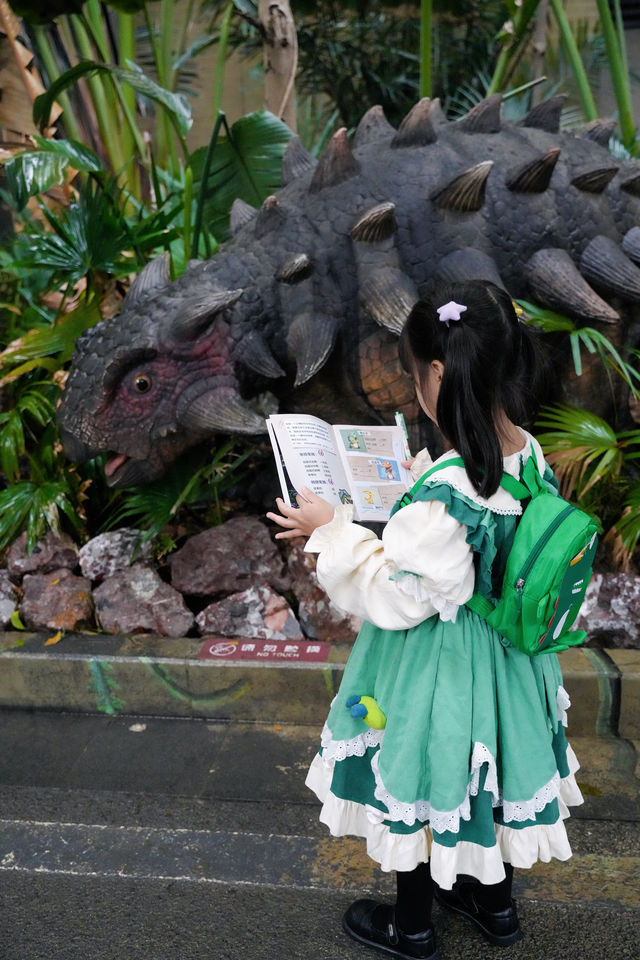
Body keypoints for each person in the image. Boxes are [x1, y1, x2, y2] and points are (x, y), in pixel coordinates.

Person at [266, 280, 583, 960]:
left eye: (415, 375)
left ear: (437, 373)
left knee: (423, 775)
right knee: (485, 775)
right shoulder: (526, 452)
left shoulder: (446, 497)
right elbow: (486, 534)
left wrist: (331, 531)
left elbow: (395, 594)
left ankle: (411, 929)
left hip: (443, 665)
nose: (415, 388)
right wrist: (417, 480)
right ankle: (493, 907)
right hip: (509, 659)